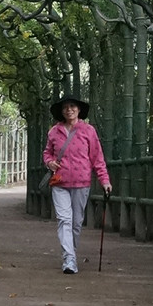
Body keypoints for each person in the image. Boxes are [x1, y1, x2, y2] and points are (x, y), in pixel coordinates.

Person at [42, 96, 111, 275]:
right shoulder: (54, 132)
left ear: (79, 110)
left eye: (72, 106)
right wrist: (49, 162)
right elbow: (47, 153)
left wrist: (104, 180)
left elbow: (97, 158)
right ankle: (69, 259)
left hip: (81, 183)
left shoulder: (88, 131)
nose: (69, 110)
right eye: (65, 107)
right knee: (64, 220)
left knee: (76, 223)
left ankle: (71, 253)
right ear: (61, 111)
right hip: (60, 182)